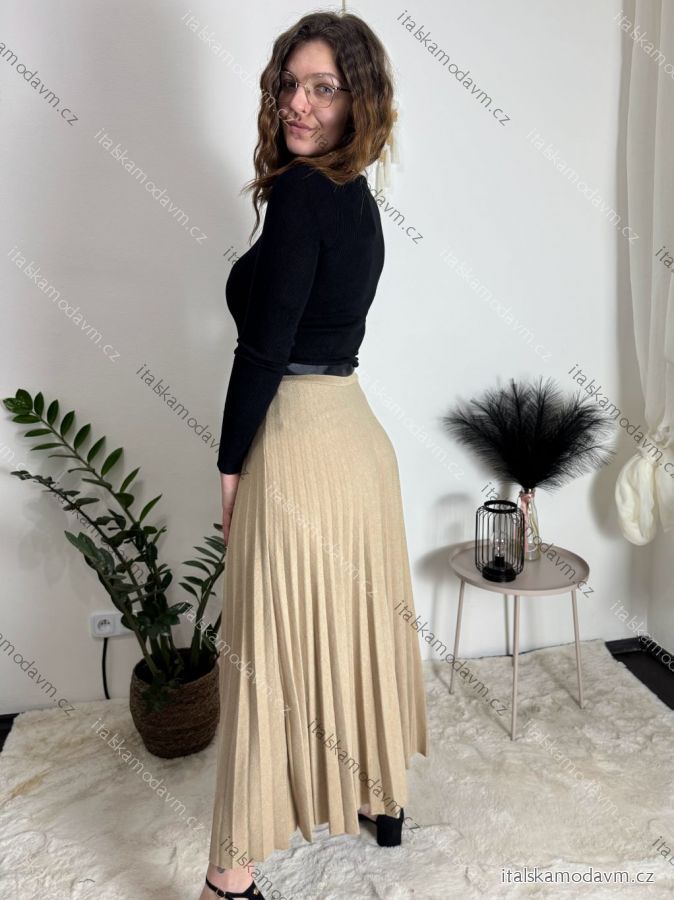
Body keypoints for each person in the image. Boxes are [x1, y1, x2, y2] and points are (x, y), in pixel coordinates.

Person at [200, 12, 428, 900]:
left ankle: (229, 876)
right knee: (350, 626)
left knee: (264, 652)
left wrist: (229, 462)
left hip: (296, 442)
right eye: (290, 84)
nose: (299, 103)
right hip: (357, 443)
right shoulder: (355, 195)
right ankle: (381, 798)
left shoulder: (302, 193)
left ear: (357, 101)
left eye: (323, 88)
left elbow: (263, 349)